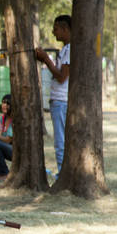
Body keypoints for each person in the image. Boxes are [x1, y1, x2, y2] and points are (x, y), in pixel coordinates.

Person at [36, 14, 71, 175]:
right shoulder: (65, 49)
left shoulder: (70, 50)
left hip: (61, 100)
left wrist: (46, 59)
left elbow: (62, 77)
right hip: (58, 100)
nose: (53, 32)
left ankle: (61, 175)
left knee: (60, 142)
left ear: (65, 29)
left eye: (56, 29)